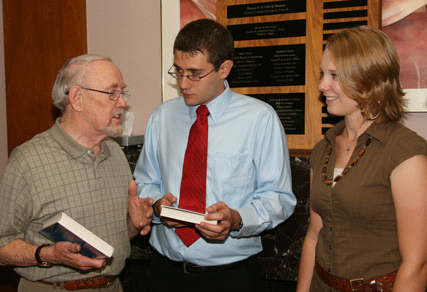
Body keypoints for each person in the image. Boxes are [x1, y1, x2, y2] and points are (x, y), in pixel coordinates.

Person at [134, 19, 296, 291]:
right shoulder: (162, 117)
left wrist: (237, 219)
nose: (183, 83)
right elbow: (144, 181)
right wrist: (158, 206)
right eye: (178, 71)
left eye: (195, 73)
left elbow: (278, 197)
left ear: (224, 69)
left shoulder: (259, 119)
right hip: (165, 271)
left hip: (231, 277)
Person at [0, 54, 154, 292]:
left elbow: (111, 238)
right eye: (112, 93)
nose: (122, 103)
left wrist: (133, 225)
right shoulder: (28, 161)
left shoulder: (115, 154)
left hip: (113, 286)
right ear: (77, 97)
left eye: (122, 93)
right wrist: (48, 254)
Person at [296, 26, 427, 292]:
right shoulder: (324, 148)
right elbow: (314, 233)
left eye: (335, 75)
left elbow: (417, 264)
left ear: (369, 80)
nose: (322, 85)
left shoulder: (405, 154)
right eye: (323, 74)